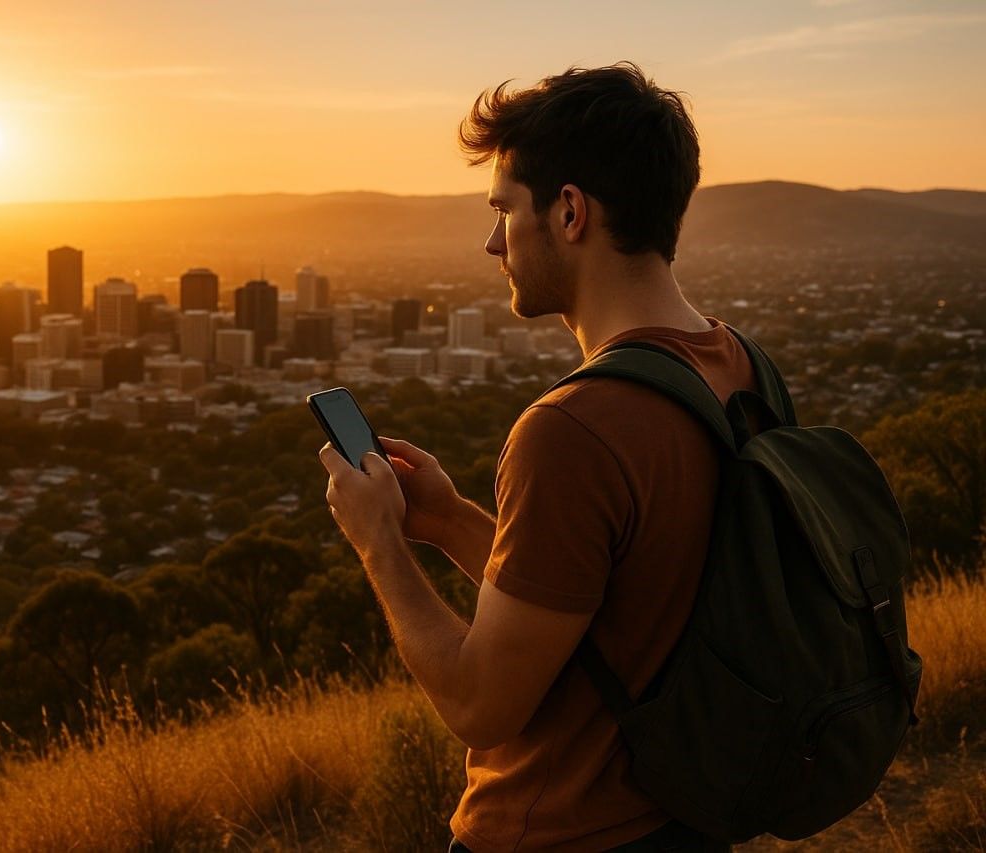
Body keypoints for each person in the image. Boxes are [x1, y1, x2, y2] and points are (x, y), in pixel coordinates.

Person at [318, 62, 756, 851]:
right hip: (687, 816)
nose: (492, 241)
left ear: (570, 212)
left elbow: (481, 705)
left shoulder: (575, 429)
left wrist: (378, 544)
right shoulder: (738, 369)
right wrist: (449, 521)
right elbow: (609, 609)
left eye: (503, 209)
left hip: (557, 832)